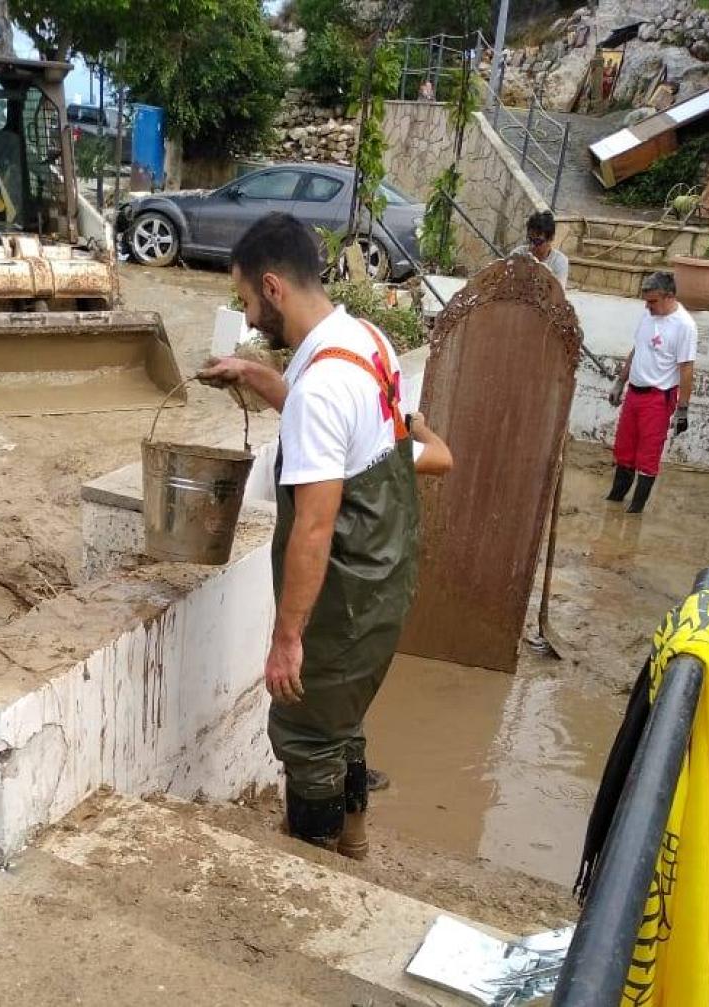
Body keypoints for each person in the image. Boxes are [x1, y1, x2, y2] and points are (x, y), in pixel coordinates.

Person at [199, 212, 452, 859]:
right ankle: (355, 842)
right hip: (384, 578)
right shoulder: (366, 341)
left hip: (344, 592)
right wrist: (256, 375)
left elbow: (312, 527)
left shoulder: (320, 387)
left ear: (275, 287)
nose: (250, 317)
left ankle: (310, 857)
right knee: (342, 716)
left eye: (249, 300)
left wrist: (287, 639)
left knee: (305, 728)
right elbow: (334, 431)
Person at [605, 271, 696, 514]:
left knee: (647, 455)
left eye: (652, 301)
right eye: (646, 301)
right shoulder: (648, 316)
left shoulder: (684, 326)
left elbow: (686, 368)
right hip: (634, 393)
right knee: (624, 449)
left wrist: (682, 410)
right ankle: (615, 500)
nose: (648, 306)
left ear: (669, 297)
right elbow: (637, 349)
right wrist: (619, 382)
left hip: (658, 397)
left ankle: (635, 509)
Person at [512, 210, 569, 289]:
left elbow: (557, 295)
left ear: (550, 239)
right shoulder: (518, 253)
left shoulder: (559, 262)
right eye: (530, 239)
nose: (532, 245)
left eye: (537, 241)